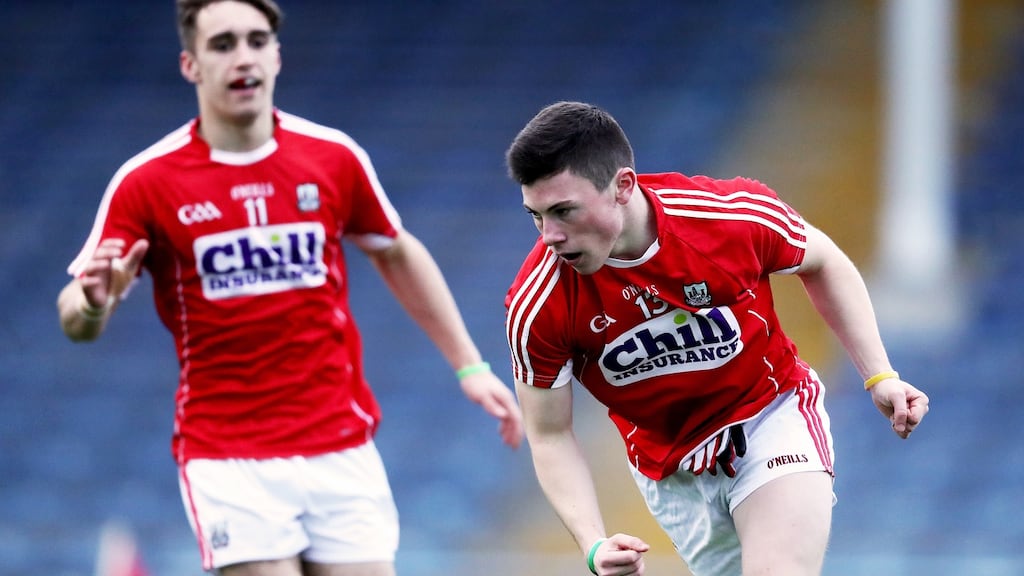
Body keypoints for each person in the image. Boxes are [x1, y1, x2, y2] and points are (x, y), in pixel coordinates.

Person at [56, 1, 523, 575]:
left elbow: (396, 250)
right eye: (223, 45)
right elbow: (76, 318)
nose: (243, 57)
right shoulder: (146, 181)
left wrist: (470, 366)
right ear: (191, 65)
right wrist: (94, 304)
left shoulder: (331, 157)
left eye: (257, 41)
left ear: (277, 56)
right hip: (229, 457)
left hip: (341, 444)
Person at [503, 101, 929, 576]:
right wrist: (592, 544)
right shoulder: (537, 302)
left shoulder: (727, 217)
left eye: (564, 211)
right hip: (674, 473)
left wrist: (880, 375)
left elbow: (823, 260)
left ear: (623, 186)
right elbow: (549, 433)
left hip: (770, 418)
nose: (550, 236)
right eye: (536, 216)